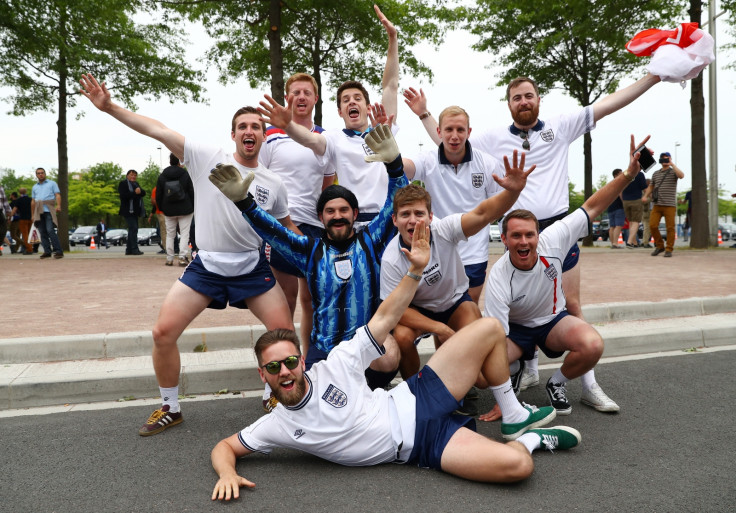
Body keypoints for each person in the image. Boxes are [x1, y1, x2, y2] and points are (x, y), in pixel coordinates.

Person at [210, 216, 579, 501]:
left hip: (417, 395)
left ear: (302, 361)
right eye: (274, 368)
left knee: (491, 328)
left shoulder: (335, 363)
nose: (284, 372)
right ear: (264, 375)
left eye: (290, 362)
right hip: (421, 446)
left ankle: (513, 415)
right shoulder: (277, 424)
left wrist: (416, 269)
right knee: (518, 466)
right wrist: (227, 473)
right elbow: (224, 446)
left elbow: (384, 319)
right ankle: (532, 440)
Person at [405, 72, 663, 386]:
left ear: (539, 99)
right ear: (509, 105)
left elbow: (607, 104)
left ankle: (588, 382)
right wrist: (423, 114)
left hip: (557, 229)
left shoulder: (561, 125)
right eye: (517, 97)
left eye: (529, 95)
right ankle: (524, 370)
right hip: (517, 231)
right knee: (517, 305)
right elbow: (450, 141)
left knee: (572, 304)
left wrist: (653, 78)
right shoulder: (491, 138)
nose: (524, 101)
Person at [80, 73, 295, 436]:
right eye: (243, 125)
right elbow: (157, 129)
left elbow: (289, 232)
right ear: (233, 135)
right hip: (207, 266)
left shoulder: (273, 183)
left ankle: (272, 395)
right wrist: (109, 107)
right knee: (162, 332)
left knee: (285, 335)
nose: (249, 131)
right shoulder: (207, 157)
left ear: (264, 134)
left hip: (251, 267)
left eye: (256, 126)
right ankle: (170, 406)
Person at [208, 124, 408, 391]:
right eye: (330, 211)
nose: (337, 216)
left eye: (343, 210)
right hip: (324, 351)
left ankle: (371, 391)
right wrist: (244, 202)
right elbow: (274, 231)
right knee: (309, 407)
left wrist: (395, 165)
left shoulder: (372, 242)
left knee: (390, 354)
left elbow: (396, 202)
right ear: (320, 217)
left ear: (355, 213)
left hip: (364, 347)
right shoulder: (309, 251)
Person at [480, 135, 648, 420]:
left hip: (551, 322)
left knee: (593, 344)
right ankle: (517, 370)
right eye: (516, 236)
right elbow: (498, 338)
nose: (524, 241)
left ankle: (556, 383)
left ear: (538, 236)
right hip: (516, 332)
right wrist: (506, 402)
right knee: (482, 376)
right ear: (504, 240)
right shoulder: (498, 276)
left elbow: (594, 206)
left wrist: (630, 175)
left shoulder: (554, 239)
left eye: (529, 234)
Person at [380, 150, 534, 380]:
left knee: (482, 380)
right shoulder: (391, 258)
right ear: (394, 219)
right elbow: (395, 311)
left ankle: (485, 379)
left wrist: (513, 191)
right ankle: (414, 392)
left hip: (454, 302)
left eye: (419, 213)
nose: (413, 220)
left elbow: (482, 214)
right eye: (405, 214)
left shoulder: (444, 229)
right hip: (419, 309)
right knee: (402, 336)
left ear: (431, 216)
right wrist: (438, 327)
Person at [258, 5, 398, 222]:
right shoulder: (333, 138)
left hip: (386, 218)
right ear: (340, 111)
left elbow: (390, 86)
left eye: (357, 98)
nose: (352, 102)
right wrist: (287, 126)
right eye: (345, 100)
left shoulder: (383, 132)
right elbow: (309, 139)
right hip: (353, 224)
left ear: (368, 107)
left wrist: (393, 39)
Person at [259, 72, 336, 349]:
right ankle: (282, 358)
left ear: (316, 98)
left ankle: (310, 358)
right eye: (296, 92)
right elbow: (260, 178)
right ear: (287, 98)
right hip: (280, 225)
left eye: (307, 92)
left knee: (314, 298)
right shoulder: (270, 136)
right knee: (285, 298)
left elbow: (328, 186)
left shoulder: (326, 139)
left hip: (314, 227)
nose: (301, 97)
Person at [401, 106, 504, 303]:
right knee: (444, 313)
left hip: (474, 254)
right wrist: (391, 158)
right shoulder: (428, 160)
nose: (454, 136)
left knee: (468, 313)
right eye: (448, 130)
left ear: (469, 132)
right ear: (439, 132)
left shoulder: (488, 164)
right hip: (440, 253)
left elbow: (498, 206)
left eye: (460, 130)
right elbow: (406, 167)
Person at [156, 153, 194, 266]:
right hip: (185, 208)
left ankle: (169, 258)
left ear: (170, 161)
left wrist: (162, 208)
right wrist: (193, 206)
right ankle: (182, 257)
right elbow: (191, 191)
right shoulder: (185, 174)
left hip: (168, 209)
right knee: (184, 233)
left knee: (170, 234)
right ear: (180, 162)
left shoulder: (162, 176)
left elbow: (158, 194)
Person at [647, 151, 684, 257]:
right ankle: (660, 246)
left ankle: (669, 249)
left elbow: (681, 176)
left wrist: (672, 164)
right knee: (652, 225)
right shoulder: (656, 173)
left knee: (670, 228)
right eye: (663, 158)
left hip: (670, 204)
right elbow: (651, 186)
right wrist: (645, 196)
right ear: (660, 160)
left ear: (670, 159)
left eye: (667, 158)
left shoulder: (673, 172)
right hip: (657, 204)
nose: (665, 160)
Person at [31, 167, 64, 259]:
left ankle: (58, 251)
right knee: (42, 231)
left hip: (49, 209)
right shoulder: (35, 187)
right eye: (38, 173)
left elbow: (57, 195)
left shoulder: (52, 183)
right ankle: (47, 251)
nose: (40, 174)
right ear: (36, 175)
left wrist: (59, 205)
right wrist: (32, 214)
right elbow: (33, 201)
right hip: (38, 210)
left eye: (42, 173)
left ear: (45, 174)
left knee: (50, 230)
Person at [118, 169, 146, 255]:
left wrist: (139, 191)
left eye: (135, 175)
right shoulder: (123, 184)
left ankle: (129, 250)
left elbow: (143, 193)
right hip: (127, 211)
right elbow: (123, 196)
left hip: (135, 211)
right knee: (133, 228)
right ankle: (134, 249)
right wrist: (134, 193)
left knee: (132, 229)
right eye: (131, 175)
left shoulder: (136, 184)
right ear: (127, 176)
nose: (133, 177)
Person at [621, 166, 648, 248]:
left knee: (631, 222)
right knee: (636, 221)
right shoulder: (640, 174)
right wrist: (646, 196)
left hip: (625, 201)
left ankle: (634, 242)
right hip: (636, 200)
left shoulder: (625, 173)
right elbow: (644, 188)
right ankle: (629, 242)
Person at [606, 169, 625, 248]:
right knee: (618, 225)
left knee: (612, 226)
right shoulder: (619, 183)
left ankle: (612, 243)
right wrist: (624, 203)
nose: (623, 174)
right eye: (621, 173)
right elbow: (620, 194)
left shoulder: (609, 184)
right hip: (618, 207)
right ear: (616, 175)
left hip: (610, 207)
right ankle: (615, 243)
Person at [10, 187, 33, 255]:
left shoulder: (19, 200)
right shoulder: (31, 199)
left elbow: (14, 210)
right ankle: (30, 247)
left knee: (25, 235)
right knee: (29, 234)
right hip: (30, 219)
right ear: (26, 192)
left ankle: (29, 249)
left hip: (23, 219)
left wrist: (10, 216)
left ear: (20, 193)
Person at [149, 185, 167, 255]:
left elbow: (153, 201)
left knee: (163, 231)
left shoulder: (156, 189)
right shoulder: (171, 186)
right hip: (172, 212)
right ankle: (174, 248)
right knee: (171, 230)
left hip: (161, 212)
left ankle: (166, 248)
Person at [641, 178, 653, 247]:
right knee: (647, 227)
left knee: (649, 228)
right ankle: (645, 242)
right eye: (650, 183)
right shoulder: (643, 192)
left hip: (652, 211)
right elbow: (643, 201)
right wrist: (650, 198)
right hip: (646, 212)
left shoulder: (651, 191)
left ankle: (645, 241)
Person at [0, 185, 10, 256]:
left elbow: (5, 200)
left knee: (4, 229)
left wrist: (8, 211)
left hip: (0, 211)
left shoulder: (0, 188)